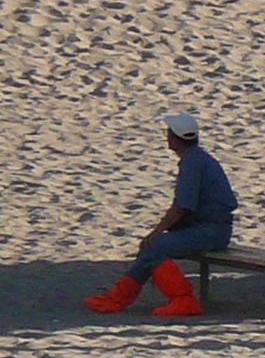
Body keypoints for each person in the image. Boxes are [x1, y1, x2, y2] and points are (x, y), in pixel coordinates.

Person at [84, 112, 238, 317]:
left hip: (212, 231)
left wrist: (156, 233)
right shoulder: (198, 158)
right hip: (213, 228)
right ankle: (117, 297)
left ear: (175, 138)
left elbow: (181, 206)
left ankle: (183, 299)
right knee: (153, 247)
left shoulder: (192, 163)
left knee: (155, 245)